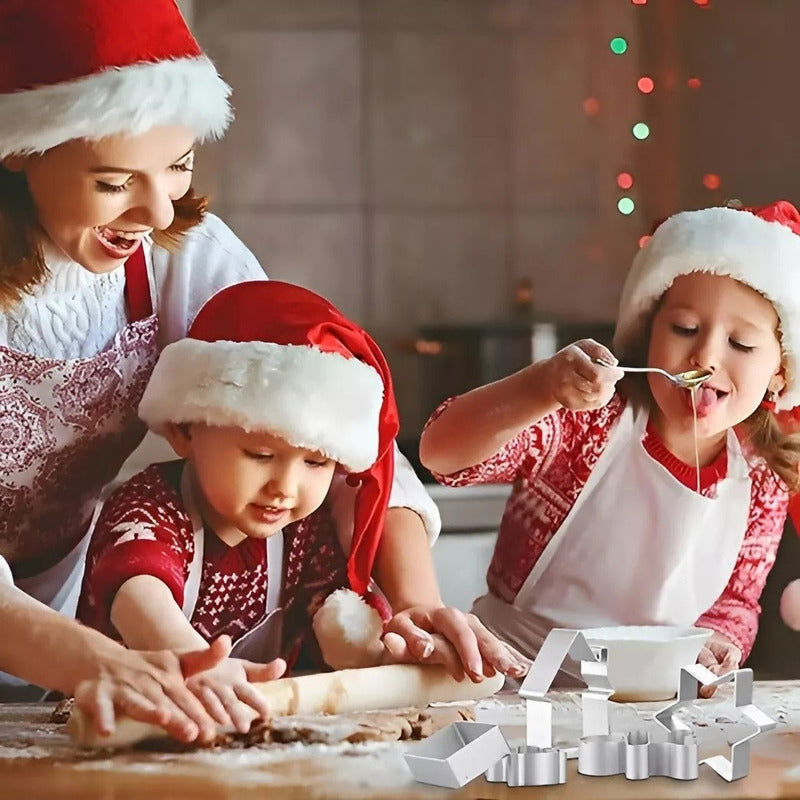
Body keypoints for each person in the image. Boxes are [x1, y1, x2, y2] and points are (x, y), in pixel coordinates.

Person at [0, 0, 504, 737]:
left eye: (179, 167)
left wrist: (416, 598)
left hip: (62, 611)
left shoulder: (180, 250)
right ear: (19, 145)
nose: (155, 211)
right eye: (113, 182)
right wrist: (103, 663)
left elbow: (316, 398)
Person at [77, 281, 526, 732]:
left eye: (315, 461)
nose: (285, 488)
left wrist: (406, 652)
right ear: (183, 431)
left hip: (234, 740)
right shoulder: (148, 508)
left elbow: (345, 625)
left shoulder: (305, 534)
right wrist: (194, 662)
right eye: (260, 456)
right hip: (114, 728)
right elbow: (138, 595)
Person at [420, 200, 800, 687]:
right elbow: (440, 454)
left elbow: (735, 602)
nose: (705, 354)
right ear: (647, 336)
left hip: (647, 707)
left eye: (742, 344)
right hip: (511, 687)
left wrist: (717, 642)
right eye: (684, 329)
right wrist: (540, 388)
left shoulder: (764, 478)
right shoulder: (588, 423)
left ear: (780, 372)